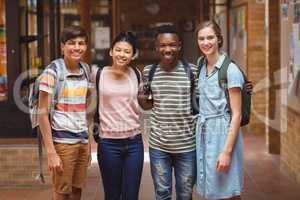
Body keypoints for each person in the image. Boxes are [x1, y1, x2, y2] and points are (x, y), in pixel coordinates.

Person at [138, 25, 197, 200]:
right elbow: (147, 105)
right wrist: (141, 96)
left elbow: (202, 102)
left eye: (172, 45)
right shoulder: (150, 71)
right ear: (156, 48)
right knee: (162, 194)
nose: (167, 49)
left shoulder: (192, 71)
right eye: (162, 45)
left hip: (187, 146)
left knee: (185, 195)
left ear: (179, 46)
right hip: (159, 147)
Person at [38, 25, 91, 200]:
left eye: (81, 43)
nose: (77, 47)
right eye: (71, 43)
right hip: (62, 143)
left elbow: (83, 109)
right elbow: (42, 113)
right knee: (62, 193)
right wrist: (51, 152)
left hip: (81, 141)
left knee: (77, 191)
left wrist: (88, 142)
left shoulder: (85, 70)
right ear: (62, 46)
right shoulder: (52, 71)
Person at [195, 20, 244, 200]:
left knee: (227, 190)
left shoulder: (230, 70)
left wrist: (226, 152)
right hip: (205, 132)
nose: (206, 42)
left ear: (219, 39)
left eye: (210, 37)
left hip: (223, 134)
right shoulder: (201, 65)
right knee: (211, 191)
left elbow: (237, 114)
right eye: (201, 38)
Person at [94, 31, 144, 200]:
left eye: (127, 51)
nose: (122, 54)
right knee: (112, 195)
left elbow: (146, 102)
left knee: (131, 196)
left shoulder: (137, 75)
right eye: (118, 50)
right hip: (108, 144)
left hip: (134, 143)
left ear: (133, 55)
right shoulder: (98, 75)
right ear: (111, 51)